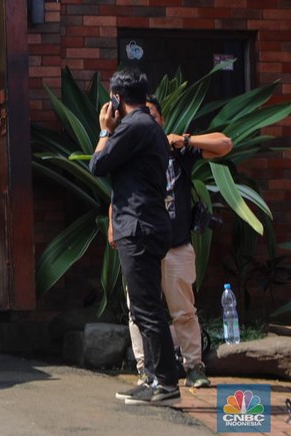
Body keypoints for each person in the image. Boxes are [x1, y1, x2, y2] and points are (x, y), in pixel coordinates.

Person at [120, 95, 232, 389]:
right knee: (139, 312)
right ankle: (147, 369)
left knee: (183, 310)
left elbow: (225, 144)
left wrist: (184, 139)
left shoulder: (177, 152)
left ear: (162, 121)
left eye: (153, 116)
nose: (148, 121)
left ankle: (194, 366)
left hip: (176, 245)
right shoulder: (130, 150)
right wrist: (112, 226)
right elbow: (118, 192)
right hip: (141, 245)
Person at [89, 69, 179, 406]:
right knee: (144, 308)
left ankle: (166, 384)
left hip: (139, 225)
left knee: (147, 308)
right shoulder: (147, 126)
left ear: (116, 97)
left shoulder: (133, 126)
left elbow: (97, 165)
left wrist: (103, 129)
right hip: (144, 223)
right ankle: (154, 379)